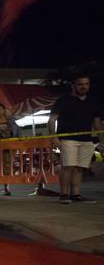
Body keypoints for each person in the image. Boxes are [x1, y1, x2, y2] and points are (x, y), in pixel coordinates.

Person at [48, 75, 102, 204]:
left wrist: (102, 140)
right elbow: (51, 120)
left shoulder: (92, 101)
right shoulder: (63, 100)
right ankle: (64, 194)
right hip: (67, 139)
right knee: (68, 166)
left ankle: (75, 194)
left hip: (86, 139)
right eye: (80, 84)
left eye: (86, 84)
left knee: (80, 168)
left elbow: (97, 123)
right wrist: (53, 136)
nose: (83, 86)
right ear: (73, 85)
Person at [0, 102, 21, 196]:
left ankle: (6, 187)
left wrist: (18, 140)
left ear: (4, 110)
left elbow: (18, 130)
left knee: (7, 167)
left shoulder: (11, 120)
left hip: (9, 147)